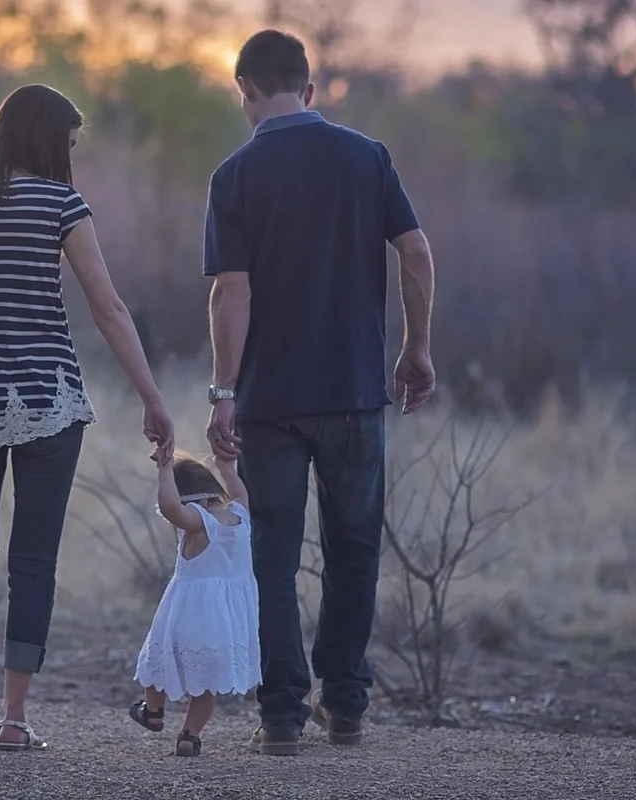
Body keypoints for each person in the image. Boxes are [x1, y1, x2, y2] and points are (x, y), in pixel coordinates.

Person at [0, 83, 175, 752]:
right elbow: (108, 308)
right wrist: (152, 397)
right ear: (50, 140)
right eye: (70, 144)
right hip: (48, 400)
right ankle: (14, 720)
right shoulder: (61, 204)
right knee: (33, 562)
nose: (71, 157)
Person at [203, 30, 437, 755]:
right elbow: (417, 252)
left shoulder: (235, 174)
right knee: (355, 549)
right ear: (310, 88)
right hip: (356, 392)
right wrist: (417, 346)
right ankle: (346, 704)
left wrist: (222, 390)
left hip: (271, 402)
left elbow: (230, 294)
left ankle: (280, 716)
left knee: (272, 556)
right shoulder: (366, 157)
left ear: (244, 88)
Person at [129, 451, 261, 757]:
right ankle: (189, 736)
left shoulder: (198, 522)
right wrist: (227, 467)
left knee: (156, 663)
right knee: (207, 683)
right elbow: (240, 492)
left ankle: (153, 712)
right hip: (227, 620)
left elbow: (171, 507)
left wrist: (164, 471)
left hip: (189, 613)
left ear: (187, 497)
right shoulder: (240, 516)